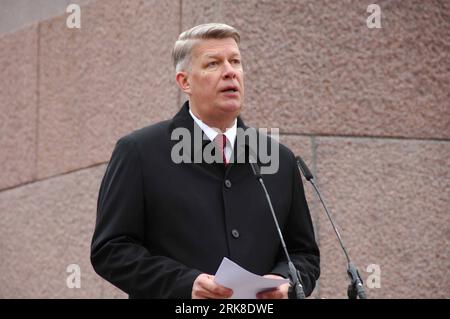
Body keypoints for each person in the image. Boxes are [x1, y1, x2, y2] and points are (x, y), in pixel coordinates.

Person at [91, 23, 320, 299]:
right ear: (184, 82)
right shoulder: (139, 152)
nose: (230, 71)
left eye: (235, 61)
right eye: (213, 64)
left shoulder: (278, 159)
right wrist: (186, 284)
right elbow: (111, 249)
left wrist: (284, 281)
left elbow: (304, 254)